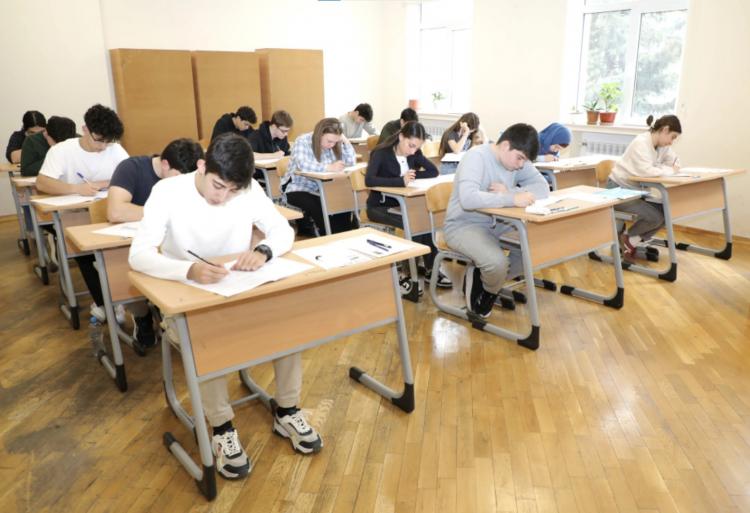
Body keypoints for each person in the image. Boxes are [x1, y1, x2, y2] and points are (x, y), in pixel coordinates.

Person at [129, 133, 322, 480]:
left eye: (233, 191)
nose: (223, 197)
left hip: (237, 289)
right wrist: (188, 269)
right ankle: (221, 427)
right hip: (186, 296)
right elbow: (138, 255)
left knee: (287, 326)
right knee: (209, 339)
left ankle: (287, 409)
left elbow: (283, 231)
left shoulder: (248, 190)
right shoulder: (167, 192)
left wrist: (264, 251)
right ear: (202, 166)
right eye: (218, 186)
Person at [107, 138, 205, 350]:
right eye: (179, 177)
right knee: (122, 270)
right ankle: (141, 314)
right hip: (131, 243)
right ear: (165, 165)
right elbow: (115, 211)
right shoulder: (131, 168)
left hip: (175, 245)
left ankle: (179, 319)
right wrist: (161, 213)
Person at [444, 123, 549, 318]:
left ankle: (485, 279)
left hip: (500, 223)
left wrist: (510, 192)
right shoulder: (476, 157)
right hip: (463, 225)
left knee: (536, 247)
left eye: (524, 161)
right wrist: (511, 199)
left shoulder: (516, 158)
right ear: (505, 145)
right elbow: (468, 199)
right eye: (520, 158)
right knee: (497, 263)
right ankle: (489, 288)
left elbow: (543, 188)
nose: (520, 165)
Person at [36, 104, 128, 322]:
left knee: (120, 253)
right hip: (75, 214)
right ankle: (105, 303)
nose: (103, 146)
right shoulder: (62, 150)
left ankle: (121, 300)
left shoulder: (115, 149)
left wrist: (106, 183)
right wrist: (76, 188)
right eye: (99, 140)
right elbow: (42, 182)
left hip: (109, 211)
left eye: (108, 142)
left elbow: (130, 174)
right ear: (85, 129)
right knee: (84, 252)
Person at [365, 121, 452, 290]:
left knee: (424, 221)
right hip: (380, 207)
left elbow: (433, 171)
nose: (413, 151)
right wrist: (400, 181)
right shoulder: (381, 153)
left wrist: (411, 176)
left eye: (417, 147)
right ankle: (407, 275)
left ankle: (431, 270)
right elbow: (369, 180)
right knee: (415, 223)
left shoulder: (414, 152)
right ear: (401, 137)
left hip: (405, 206)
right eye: (411, 145)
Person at [608, 114, 682, 261]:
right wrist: (668, 170)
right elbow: (646, 172)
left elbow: (674, 162)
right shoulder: (641, 143)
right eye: (672, 137)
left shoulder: (662, 146)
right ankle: (628, 240)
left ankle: (630, 241)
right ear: (665, 130)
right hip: (618, 191)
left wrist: (666, 168)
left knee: (667, 211)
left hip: (637, 192)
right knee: (655, 217)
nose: (671, 142)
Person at [283, 117, 357, 236]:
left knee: (343, 202)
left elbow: (351, 162)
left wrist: (345, 142)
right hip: (299, 187)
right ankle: (328, 237)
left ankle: (343, 236)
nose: (331, 145)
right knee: (320, 205)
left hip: (324, 188)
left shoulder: (334, 144)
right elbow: (302, 164)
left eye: (335, 142)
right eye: (329, 141)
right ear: (320, 134)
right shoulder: (303, 140)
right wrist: (329, 167)